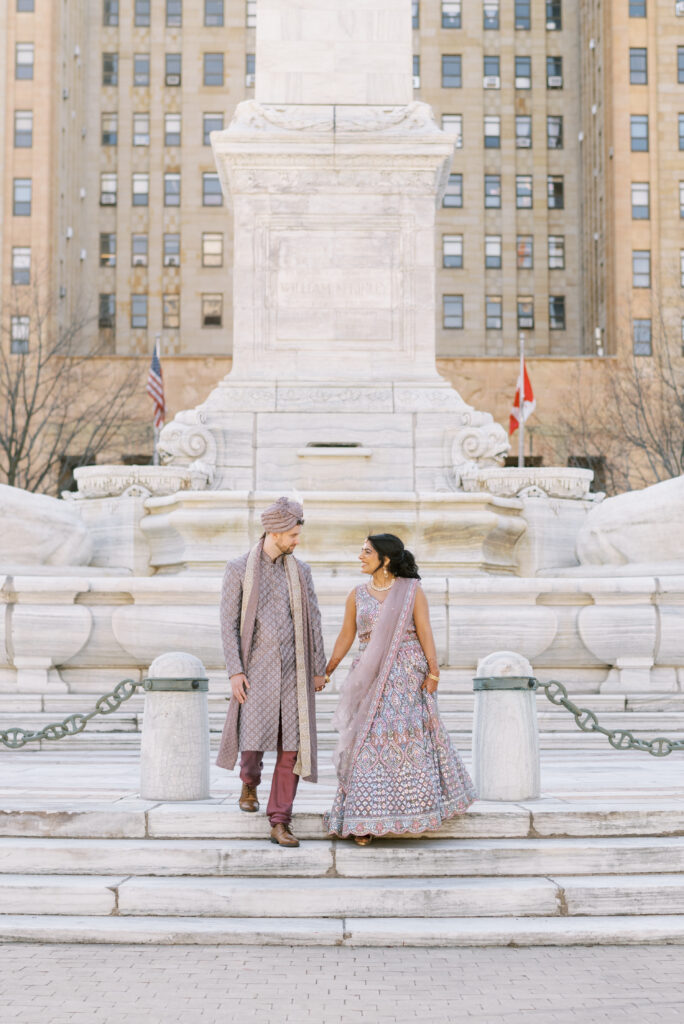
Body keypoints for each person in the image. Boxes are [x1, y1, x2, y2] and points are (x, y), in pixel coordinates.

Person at [324, 533, 475, 844]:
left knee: (408, 745)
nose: (360, 557)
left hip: (406, 676)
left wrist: (434, 672)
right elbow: (346, 637)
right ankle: (361, 818)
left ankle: (416, 810)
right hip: (369, 678)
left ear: (386, 559)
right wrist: (327, 670)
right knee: (366, 744)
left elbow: (425, 630)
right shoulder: (356, 595)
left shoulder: (411, 591)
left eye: (366, 552)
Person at [216, 497, 327, 848]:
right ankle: (249, 781)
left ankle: (280, 819)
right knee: (252, 744)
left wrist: (318, 668)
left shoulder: (301, 571)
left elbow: (314, 623)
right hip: (256, 672)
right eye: (293, 534)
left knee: (292, 749)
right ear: (275, 531)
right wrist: (235, 671)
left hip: (295, 673)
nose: (297, 541)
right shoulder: (238, 569)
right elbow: (228, 624)